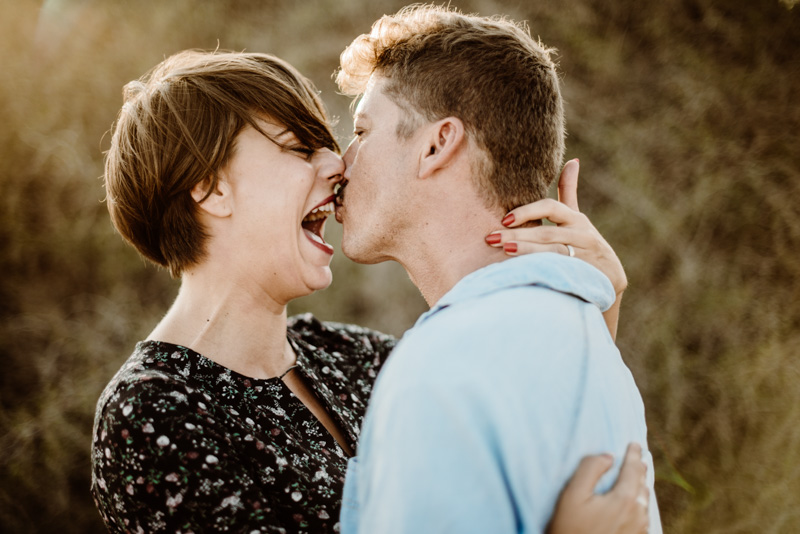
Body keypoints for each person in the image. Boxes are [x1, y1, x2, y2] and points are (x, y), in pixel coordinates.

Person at [91, 49, 647, 534]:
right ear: (212, 187)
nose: (336, 164)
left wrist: (595, 307)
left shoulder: (360, 356)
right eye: (297, 148)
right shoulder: (150, 411)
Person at [334, 5, 661, 533]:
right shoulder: (599, 356)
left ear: (437, 144)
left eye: (362, 131)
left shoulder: (442, 369)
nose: (342, 164)